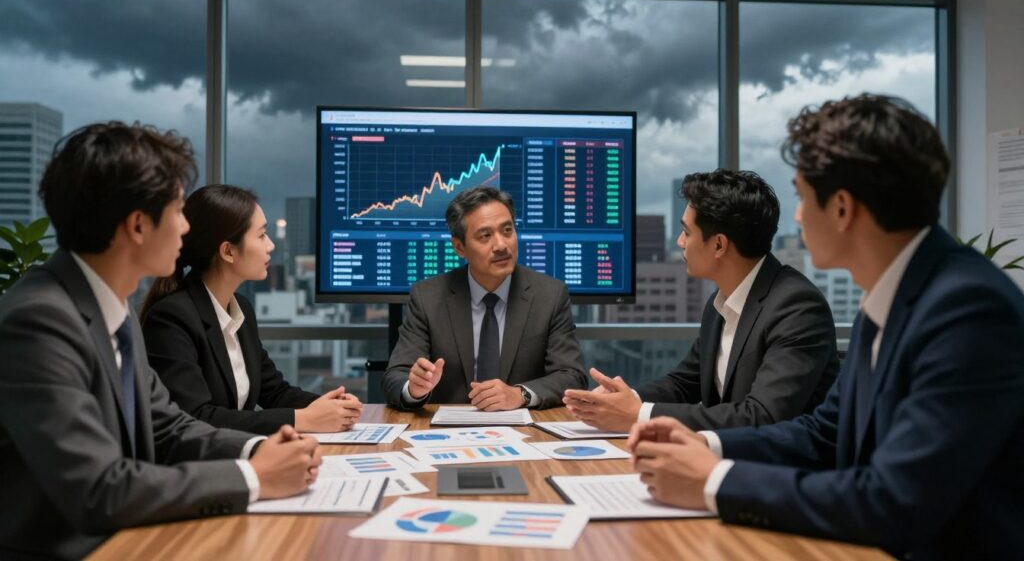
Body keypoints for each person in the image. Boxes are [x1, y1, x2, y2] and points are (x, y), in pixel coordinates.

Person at [628, 94, 1024, 559]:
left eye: (799, 195)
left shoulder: (967, 309)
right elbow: (822, 433)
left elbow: (894, 500)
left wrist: (714, 481)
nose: (795, 215)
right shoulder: (892, 295)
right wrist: (706, 445)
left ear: (841, 208)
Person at [0, 122, 321, 560]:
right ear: (137, 226)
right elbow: (98, 489)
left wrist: (260, 449)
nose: (187, 228)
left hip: (131, 538)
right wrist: (253, 477)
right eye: (178, 211)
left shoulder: (113, 309)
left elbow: (167, 426)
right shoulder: (38, 321)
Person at [564, 169, 839, 432]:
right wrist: (626, 398)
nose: (680, 241)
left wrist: (638, 414)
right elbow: (686, 382)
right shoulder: (720, 303)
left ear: (719, 245)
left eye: (687, 232)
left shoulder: (797, 307)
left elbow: (763, 416)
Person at [141, 184, 363, 435]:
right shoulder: (172, 318)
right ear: (228, 251)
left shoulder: (240, 309)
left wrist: (331, 407)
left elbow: (274, 391)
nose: (271, 246)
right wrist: (301, 419)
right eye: (261, 236)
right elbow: (195, 418)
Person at [383, 186, 587, 411]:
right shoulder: (428, 297)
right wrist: (414, 389)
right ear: (459, 247)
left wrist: (520, 394)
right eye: (485, 236)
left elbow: (572, 376)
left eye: (507, 230)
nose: (501, 245)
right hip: (447, 435)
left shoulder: (550, 295)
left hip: (525, 432)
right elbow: (395, 377)